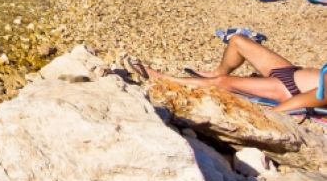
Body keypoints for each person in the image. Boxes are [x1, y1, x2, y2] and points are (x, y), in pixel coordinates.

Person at [130, 36, 327, 115]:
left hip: (288, 90)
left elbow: (310, 98)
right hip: (291, 73)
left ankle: (165, 79)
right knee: (237, 41)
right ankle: (219, 70)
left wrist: (272, 116)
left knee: (221, 83)